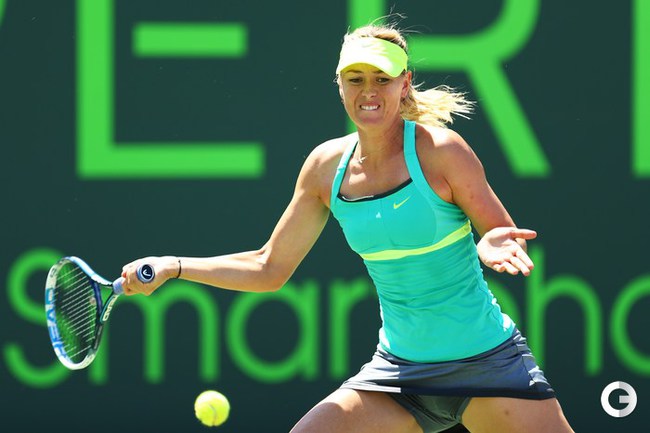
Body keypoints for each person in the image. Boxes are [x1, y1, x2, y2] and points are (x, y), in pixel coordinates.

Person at [121, 23, 575, 433]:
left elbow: (501, 232)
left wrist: (491, 242)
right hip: (400, 374)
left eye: (382, 79)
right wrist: (173, 266)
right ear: (339, 85)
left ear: (404, 83)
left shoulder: (442, 151)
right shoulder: (325, 169)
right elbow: (267, 267)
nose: (368, 91)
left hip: (486, 364)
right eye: (355, 79)